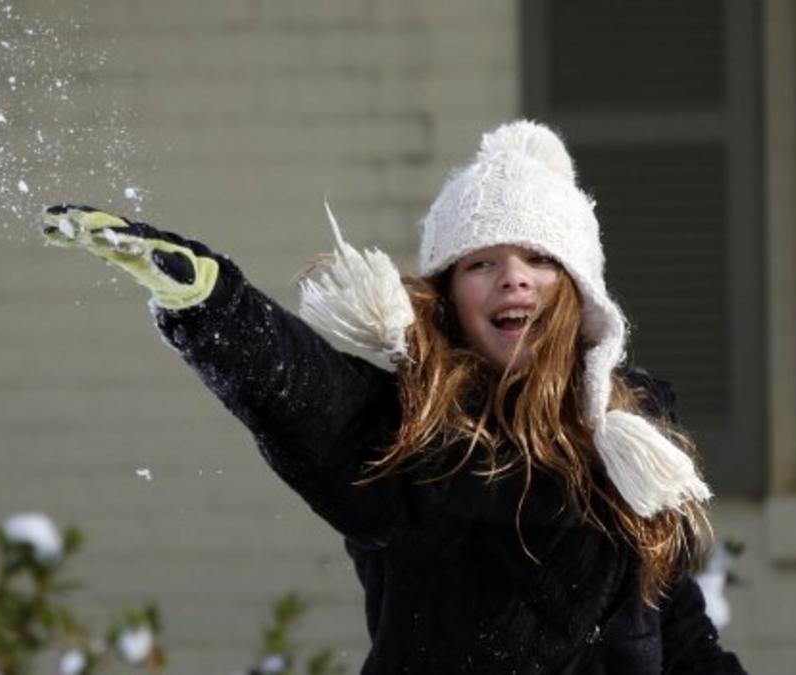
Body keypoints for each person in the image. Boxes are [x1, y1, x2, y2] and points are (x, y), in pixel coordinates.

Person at [40, 120, 747, 674]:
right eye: (482, 262)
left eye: (539, 258)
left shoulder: (630, 446)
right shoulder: (414, 436)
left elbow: (675, 629)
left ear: (580, 289)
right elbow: (306, 392)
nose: (514, 278)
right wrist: (211, 302)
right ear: (449, 295)